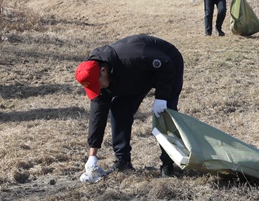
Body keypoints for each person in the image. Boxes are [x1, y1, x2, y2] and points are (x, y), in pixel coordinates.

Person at [75, 35, 184, 180]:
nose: (98, 89)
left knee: (164, 114)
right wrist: (92, 157)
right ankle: (123, 161)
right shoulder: (96, 77)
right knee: (120, 110)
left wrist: (161, 98)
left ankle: (167, 165)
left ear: (103, 71)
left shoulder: (131, 57)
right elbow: (97, 117)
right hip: (135, 76)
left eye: (98, 84)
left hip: (166, 62)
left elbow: (166, 63)